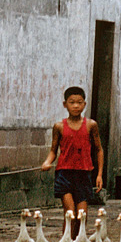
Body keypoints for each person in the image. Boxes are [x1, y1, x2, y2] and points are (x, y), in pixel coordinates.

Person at [40, 86, 104, 234]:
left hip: (83, 174)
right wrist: (47, 162)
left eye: (79, 102)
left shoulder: (91, 125)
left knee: (81, 216)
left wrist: (99, 174)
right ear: (65, 104)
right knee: (70, 213)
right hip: (64, 174)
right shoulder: (59, 127)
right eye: (72, 102)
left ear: (84, 104)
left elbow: (99, 150)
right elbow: (53, 151)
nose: (76, 106)